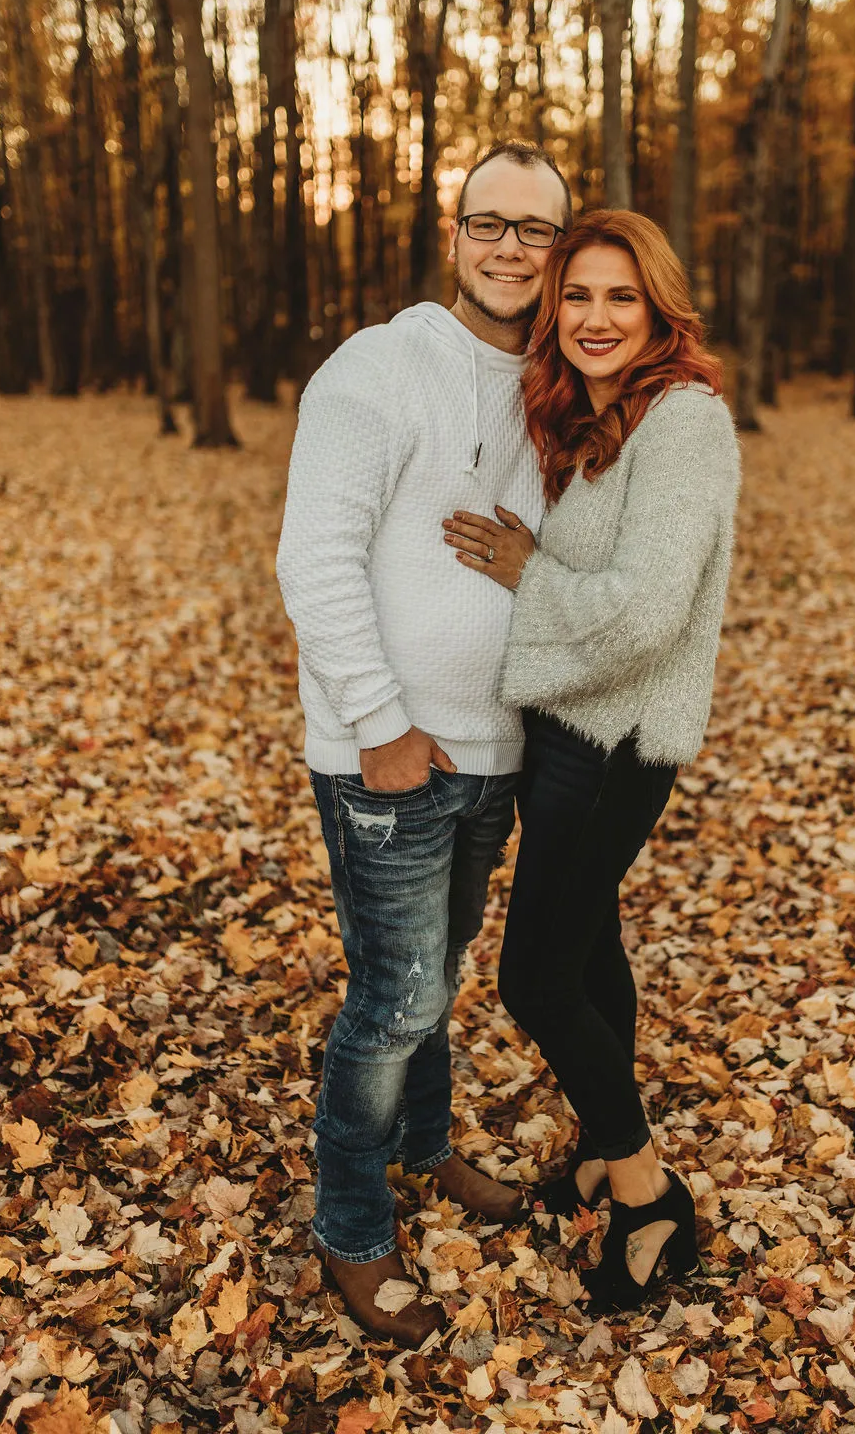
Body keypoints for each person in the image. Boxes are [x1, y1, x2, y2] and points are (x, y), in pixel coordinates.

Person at [275, 142, 572, 1347]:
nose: (508, 246)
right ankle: (350, 1225)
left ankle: (427, 1147)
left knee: (436, 975)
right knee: (393, 996)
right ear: (452, 235)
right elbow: (313, 558)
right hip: (389, 756)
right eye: (485, 223)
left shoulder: (559, 386)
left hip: (496, 756)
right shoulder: (377, 367)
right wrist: (380, 725)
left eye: (535, 230)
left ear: (559, 249)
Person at [442, 209, 740, 1313]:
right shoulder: (591, 416)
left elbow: (647, 615)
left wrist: (526, 576)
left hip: (614, 748)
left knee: (533, 979)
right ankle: (609, 1150)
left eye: (621, 297)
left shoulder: (684, 422)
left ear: (657, 307)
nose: (595, 317)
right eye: (577, 296)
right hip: (562, 733)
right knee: (590, 951)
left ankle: (647, 1192)